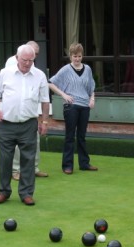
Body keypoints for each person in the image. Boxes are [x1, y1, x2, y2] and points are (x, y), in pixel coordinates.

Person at [0, 44, 50, 206]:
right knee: (5, 160)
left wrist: (45, 121)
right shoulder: (5, 73)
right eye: (24, 60)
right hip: (6, 124)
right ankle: (3, 191)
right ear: (17, 58)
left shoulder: (39, 76)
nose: (27, 63)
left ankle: (26, 193)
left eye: (31, 60)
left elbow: (45, 101)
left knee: (28, 160)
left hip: (28, 124)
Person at [48, 43, 97, 174]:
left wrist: (92, 99)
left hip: (85, 106)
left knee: (82, 136)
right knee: (70, 136)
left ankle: (84, 163)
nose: (77, 59)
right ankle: (67, 166)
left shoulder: (87, 69)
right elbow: (50, 83)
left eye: (79, 56)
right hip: (71, 107)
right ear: (70, 56)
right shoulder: (65, 70)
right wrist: (64, 95)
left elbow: (91, 87)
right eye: (75, 56)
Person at [5, 40, 48, 181]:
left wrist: (44, 120)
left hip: (31, 113)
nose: (31, 59)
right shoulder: (12, 63)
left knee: (35, 142)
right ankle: (16, 169)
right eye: (32, 54)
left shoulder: (35, 69)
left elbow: (41, 96)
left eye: (35, 55)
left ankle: (34, 168)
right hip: (15, 116)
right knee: (18, 147)